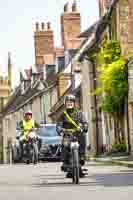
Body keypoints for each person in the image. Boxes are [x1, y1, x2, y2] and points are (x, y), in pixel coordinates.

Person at [56, 94, 88, 178]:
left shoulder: (80, 113)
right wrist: (59, 129)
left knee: (83, 137)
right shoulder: (63, 114)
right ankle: (65, 161)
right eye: (68, 102)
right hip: (67, 134)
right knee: (65, 144)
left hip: (77, 133)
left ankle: (81, 156)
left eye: (71, 102)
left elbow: (84, 122)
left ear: (74, 103)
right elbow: (59, 124)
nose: (69, 103)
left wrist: (84, 127)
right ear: (65, 103)